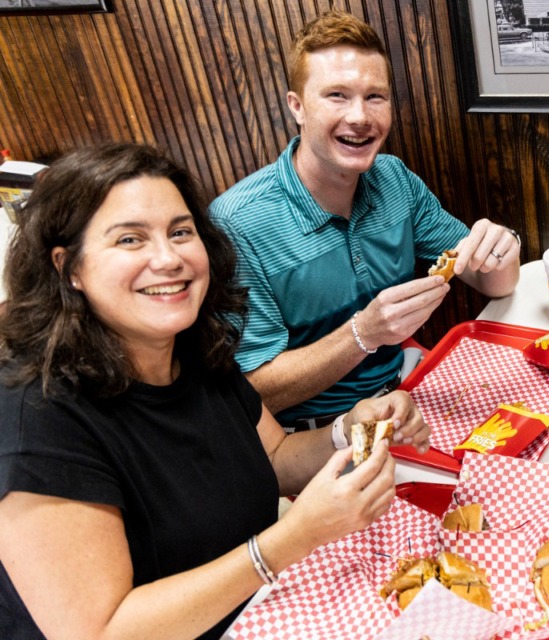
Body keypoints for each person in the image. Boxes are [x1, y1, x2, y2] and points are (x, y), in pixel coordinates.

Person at [0, 143, 430, 639]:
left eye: (180, 232)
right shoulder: (35, 415)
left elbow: (275, 456)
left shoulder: (194, 347)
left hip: (256, 615)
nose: (168, 258)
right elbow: (99, 632)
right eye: (130, 240)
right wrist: (289, 540)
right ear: (68, 268)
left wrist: (350, 429)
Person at [208, 10, 520, 431]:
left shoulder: (394, 180)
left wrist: (502, 250)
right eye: (337, 95)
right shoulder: (236, 224)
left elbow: (492, 282)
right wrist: (364, 333)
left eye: (375, 97)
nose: (360, 116)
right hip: (312, 435)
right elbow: (253, 393)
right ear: (297, 107)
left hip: (406, 390)